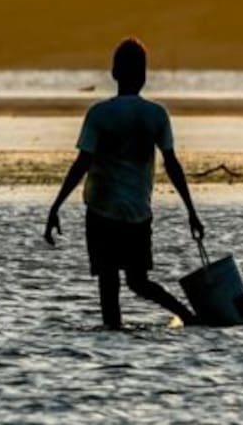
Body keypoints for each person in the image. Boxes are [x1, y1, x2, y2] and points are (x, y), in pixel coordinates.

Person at [43, 38, 205, 329]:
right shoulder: (156, 115)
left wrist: (55, 207)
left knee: (109, 285)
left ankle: (115, 336)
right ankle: (190, 318)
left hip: (102, 213)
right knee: (139, 282)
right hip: (137, 214)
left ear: (114, 73)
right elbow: (172, 165)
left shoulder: (99, 114)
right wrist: (191, 212)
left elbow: (82, 163)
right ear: (143, 76)